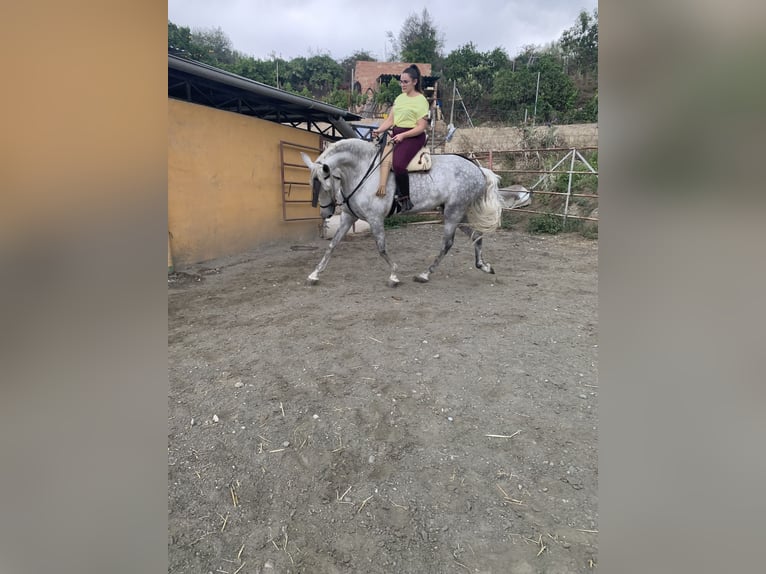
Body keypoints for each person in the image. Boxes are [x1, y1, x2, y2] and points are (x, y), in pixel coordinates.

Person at [371, 65, 430, 212]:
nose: (402, 84)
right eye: (401, 81)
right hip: (396, 135)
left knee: (398, 165)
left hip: (413, 136)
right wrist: (379, 130)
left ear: (414, 82)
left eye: (405, 82)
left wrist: (403, 135)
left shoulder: (421, 100)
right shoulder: (399, 98)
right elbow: (390, 120)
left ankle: (405, 200)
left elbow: (421, 127)